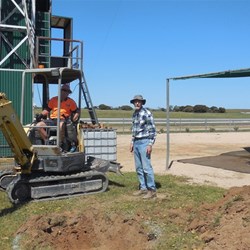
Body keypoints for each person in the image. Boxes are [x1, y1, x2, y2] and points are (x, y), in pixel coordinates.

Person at [36, 84, 80, 151]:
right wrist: (40, 115)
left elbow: (76, 111)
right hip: (52, 120)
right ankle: (47, 141)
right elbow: (47, 110)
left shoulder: (71, 102)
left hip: (64, 120)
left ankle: (60, 145)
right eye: (64, 90)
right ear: (60, 91)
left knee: (60, 125)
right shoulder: (53, 100)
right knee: (38, 125)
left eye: (67, 91)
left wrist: (74, 118)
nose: (66, 92)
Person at [129, 94, 157, 199]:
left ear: (142, 103)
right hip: (136, 142)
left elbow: (153, 131)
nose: (137, 103)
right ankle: (143, 187)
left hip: (144, 142)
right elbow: (134, 130)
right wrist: (132, 142)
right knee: (139, 167)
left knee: (146, 167)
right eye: (135, 101)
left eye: (139, 101)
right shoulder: (135, 114)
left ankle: (151, 190)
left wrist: (150, 144)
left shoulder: (146, 113)